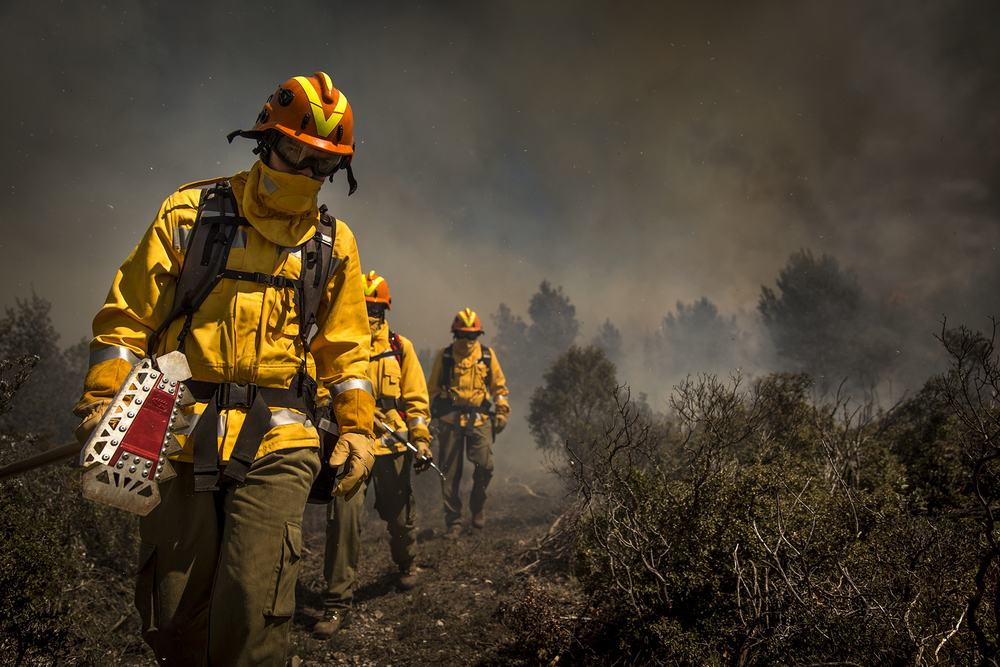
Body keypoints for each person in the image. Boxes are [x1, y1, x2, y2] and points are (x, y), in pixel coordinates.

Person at [71, 72, 376, 667]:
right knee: (174, 617)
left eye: (324, 164)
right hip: (171, 427)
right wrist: (103, 399)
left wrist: (359, 427)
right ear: (266, 139)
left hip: (280, 439)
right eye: (298, 154)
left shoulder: (333, 244)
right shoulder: (191, 213)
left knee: (254, 610)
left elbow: (347, 353)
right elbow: (127, 318)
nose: (308, 172)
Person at [315, 270, 434, 638]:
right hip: (351, 446)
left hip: (393, 448)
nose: (369, 313)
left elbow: (416, 401)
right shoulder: (340, 345)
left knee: (399, 517)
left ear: (386, 310)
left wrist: (421, 439)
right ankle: (337, 604)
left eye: (376, 307)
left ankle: (407, 562)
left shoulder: (400, 348)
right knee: (343, 522)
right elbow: (321, 390)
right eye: (364, 306)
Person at [427, 308, 510, 538]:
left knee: (486, 466)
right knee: (448, 473)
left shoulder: (487, 355)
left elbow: (499, 388)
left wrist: (502, 412)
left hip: (480, 419)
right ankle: (453, 522)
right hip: (449, 420)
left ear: (478, 335)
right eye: (463, 334)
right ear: (455, 334)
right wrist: (426, 422)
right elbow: (432, 390)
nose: (467, 339)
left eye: (472, 335)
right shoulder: (445, 356)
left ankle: (477, 506)